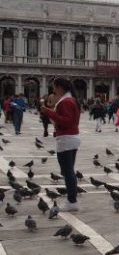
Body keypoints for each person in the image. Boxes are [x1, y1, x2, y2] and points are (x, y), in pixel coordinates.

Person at [39, 77, 80, 212]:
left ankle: (72, 201)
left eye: (54, 87)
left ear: (60, 87)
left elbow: (66, 121)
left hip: (66, 139)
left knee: (67, 172)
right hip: (71, 138)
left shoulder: (66, 101)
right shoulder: (71, 99)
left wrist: (49, 112)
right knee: (68, 171)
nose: (53, 90)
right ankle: (72, 199)